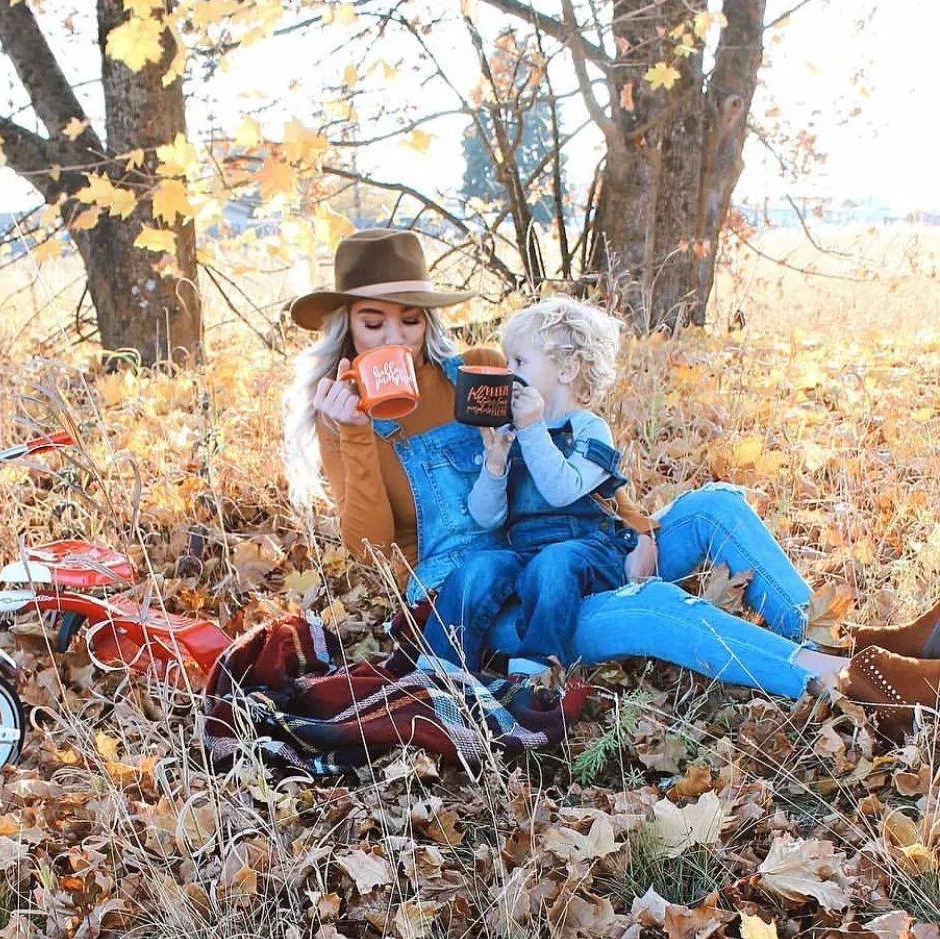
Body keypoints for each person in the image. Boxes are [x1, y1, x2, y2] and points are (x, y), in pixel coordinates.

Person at [284, 228, 940, 741]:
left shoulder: (479, 371)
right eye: (375, 322)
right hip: (470, 602)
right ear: (348, 326)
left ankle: (837, 639)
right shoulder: (341, 413)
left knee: (713, 506)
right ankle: (853, 683)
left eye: (410, 319)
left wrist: (632, 525)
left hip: (552, 545)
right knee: (649, 609)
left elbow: (564, 447)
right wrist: (354, 435)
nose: (396, 337)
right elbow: (368, 545)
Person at [422, 296, 648, 676]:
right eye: (507, 361)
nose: (509, 372)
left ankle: (537, 671)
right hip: (523, 550)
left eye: (519, 362)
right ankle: (439, 668)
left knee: (554, 562)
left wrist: (531, 429)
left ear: (568, 368)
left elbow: (561, 490)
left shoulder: (589, 428)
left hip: (587, 549)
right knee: (478, 566)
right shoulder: (516, 429)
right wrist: (495, 465)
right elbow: (487, 518)